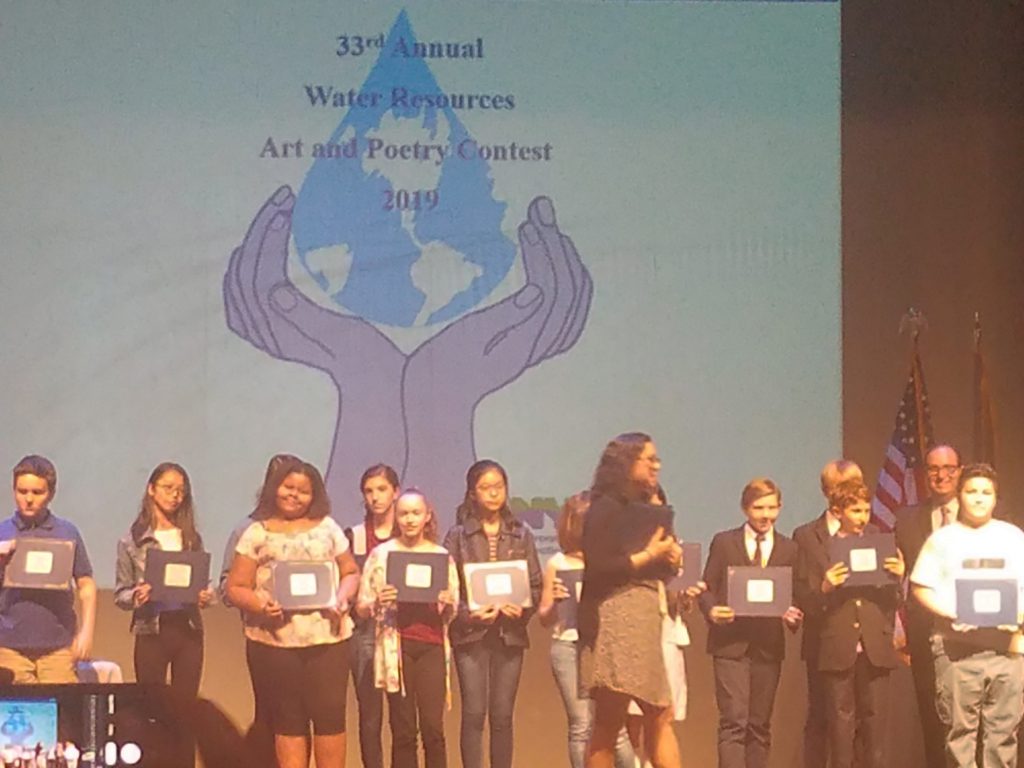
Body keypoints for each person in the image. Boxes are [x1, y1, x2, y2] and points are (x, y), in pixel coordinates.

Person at [226, 458, 360, 768]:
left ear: (314, 495)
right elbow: (236, 587)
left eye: (303, 491)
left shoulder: (328, 527)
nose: (294, 495)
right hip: (275, 643)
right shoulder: (256, 532)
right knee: (288, 720)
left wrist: (342, 597)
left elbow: (351, 572)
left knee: (329, 718)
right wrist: (261, 605)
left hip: (328, 640)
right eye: (288, 487)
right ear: (274, 489)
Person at [578, 433, 683, 768]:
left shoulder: (645, 508)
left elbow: (657, 570)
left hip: (646, 610)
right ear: (627, 462)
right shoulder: (604, 506)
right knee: (621, 719)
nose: (657, 465)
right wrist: (648, 555)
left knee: (652, 714)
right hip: (617, 614)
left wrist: (670, 559)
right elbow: (599, 565)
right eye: (648, 458)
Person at [911, 463, 1024, 768]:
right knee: (960, 736)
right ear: (959, 495)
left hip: (1008, 651)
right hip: (957, 651)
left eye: (986, 492)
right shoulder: (943, 539)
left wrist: (1018, 613)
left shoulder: (1013, 537)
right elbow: (921, 587)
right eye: (971, 491)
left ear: (996, 498)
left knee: (1003, 736)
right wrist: (951, 611)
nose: (978, 498)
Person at [443, 459, 542, 768]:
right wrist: (468, 614)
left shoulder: (520, 533)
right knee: (473, 713)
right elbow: (448, 589)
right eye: (485, 488)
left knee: (502, 716)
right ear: (472, 493)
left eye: (498, 487)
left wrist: (522, 608)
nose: (493, 493)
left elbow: (536, 585)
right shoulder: (458, 536)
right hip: (471, 635)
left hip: (509, 635)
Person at [798, 479, 903, 768]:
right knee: (840, 727)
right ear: (837, 511)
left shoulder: (881, 542)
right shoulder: (821, 546)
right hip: (837, 646)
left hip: (875, 646)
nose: (862, 517)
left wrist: (898, 577)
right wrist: (825, 587)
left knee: (875, 725)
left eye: (866, 510)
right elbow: (806, 599)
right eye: (855, 510)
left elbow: (893, 600)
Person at [699, 477, 803, 768]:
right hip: (730, 645)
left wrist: (793, 614)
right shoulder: (724, 542)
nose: (766, 515)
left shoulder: (789, 549)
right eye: (759, 507)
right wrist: (711, 610)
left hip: (768, 647)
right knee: (734, 721)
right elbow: (707, 587)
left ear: (780, 508)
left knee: (759, 724)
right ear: (745, 509)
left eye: (772, 507)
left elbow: (793, 597)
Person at [357, 488, 458, 768]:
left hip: (432, 646)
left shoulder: (441, 556)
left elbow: (453, 608)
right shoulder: (381, 555)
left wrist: (447, 603)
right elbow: (361, 606)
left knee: (433, 730)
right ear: (396, 517)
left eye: (416, 513)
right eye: (403, 513)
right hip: (396, 647)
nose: (410, 519)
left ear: (427, 516)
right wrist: (378, 600)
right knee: (403, 731)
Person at [537, 492, 636, 768]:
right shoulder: (558, 563)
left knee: (615, 728)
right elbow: (544, 618)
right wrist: (555, 602)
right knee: (581, 725)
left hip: (605, 647)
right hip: (568, 646)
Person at [114, 462, 214, 697]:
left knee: (186, 705)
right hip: (152, 629)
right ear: (151, 489)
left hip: (187, 627)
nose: (175, 495)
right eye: (168, 488)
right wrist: (137, 595)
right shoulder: (133, 540)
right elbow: (120, 595)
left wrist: (206, 595)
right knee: (151, 704)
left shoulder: (190, 537)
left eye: (180, 490)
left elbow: (204, 582)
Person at [791, 458, 864, 768]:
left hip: (865, 643)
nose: (849, 494)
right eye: (842, 488)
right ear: (827, 492)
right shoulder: (806, 535)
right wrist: (824, 588)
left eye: (855, 486)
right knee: (822, 718)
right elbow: (801, 592)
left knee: (862, 720)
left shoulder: (872, 532)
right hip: (824, 643)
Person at [0, 455, 97, 683]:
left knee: (63, 712)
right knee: (17, 714)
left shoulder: (66, 532)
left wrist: (87, 632)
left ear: (50, 494)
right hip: (9, 646)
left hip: (57, 647)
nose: (29, 499)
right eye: (22, 492)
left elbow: (86, 584)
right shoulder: (2, 532)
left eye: (37, 492)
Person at [895, 443, 961, 768]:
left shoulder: (988, 515)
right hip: (923, 633)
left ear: (959, 472)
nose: (941, 475)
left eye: (949, 468)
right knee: (931, 713)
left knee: (971, 718)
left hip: (975, 634)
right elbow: (902, 574)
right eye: (934, 469)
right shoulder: (907, 519)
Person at [345, 464, 400, 768]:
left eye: (382, 489)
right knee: (369, 716)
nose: (375, 497)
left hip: (400, 632)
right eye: (369, 491)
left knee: (403, 717)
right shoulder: (354, 536)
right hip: (363, 630)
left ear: (396, 492)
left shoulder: (408, 535)